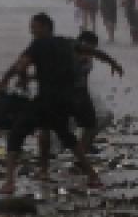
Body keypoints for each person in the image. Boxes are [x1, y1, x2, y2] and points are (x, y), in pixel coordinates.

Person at [0, 13, 102, 193]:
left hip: (45, 100)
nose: (32, 31)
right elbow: (91, 50)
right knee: (67, 137)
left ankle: (9, 182)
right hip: (64, 100)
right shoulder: (65, 42)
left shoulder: (38, 44)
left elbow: (20, 65)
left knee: (16, 134)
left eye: (34, 27)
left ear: (45, 27)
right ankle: (92, 176)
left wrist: (9, 80)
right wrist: (113, 62)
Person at [35, 30, 124, 177]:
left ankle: (80, 155)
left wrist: (113, 63)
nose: (88, 53)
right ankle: (47, 163)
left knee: (101, 118)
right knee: (57, 127)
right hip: (61, 96)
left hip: (80, 95)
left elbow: (98, 57)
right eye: (86, 48)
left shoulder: (88, 57)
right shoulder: (66, 53)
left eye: (91, 49)